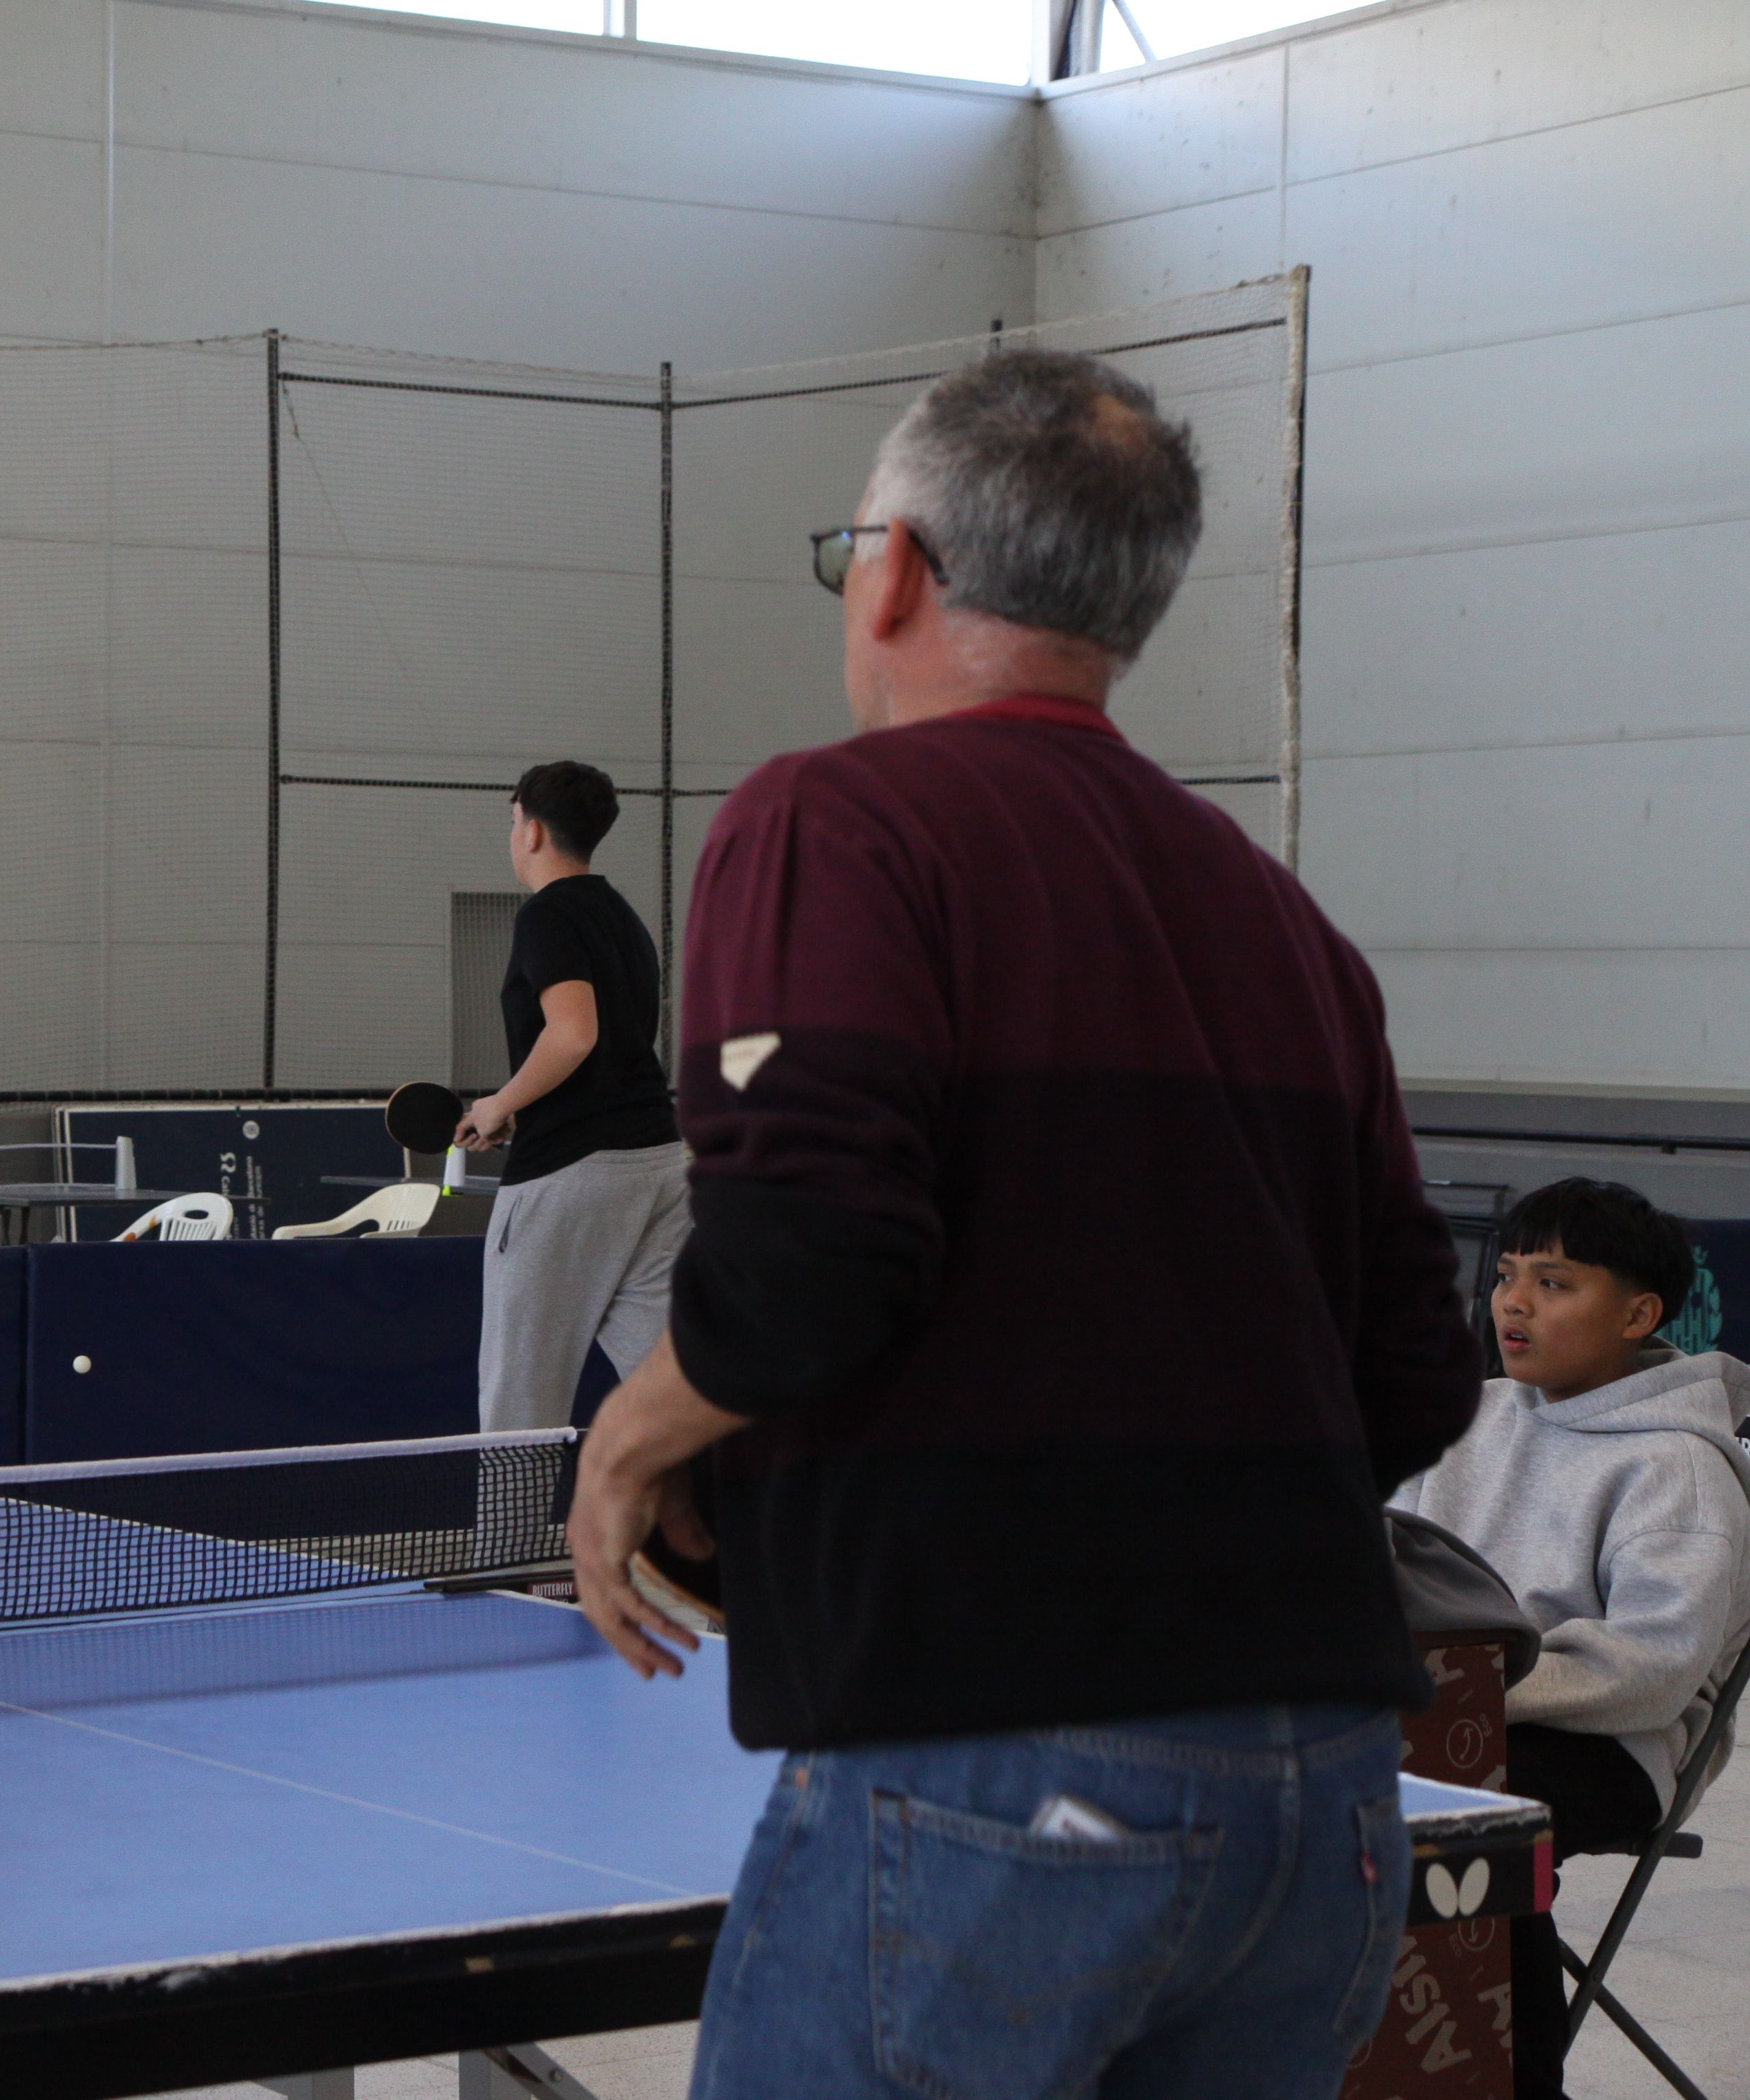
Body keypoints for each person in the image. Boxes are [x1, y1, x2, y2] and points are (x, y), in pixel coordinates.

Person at [565, 348, 1483, 2099]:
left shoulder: (827, 819)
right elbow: (1414, 1376)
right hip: (1320, 1801)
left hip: (995, 1774)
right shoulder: (1280, 918)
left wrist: (629, 1434)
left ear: (893, 566)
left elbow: (810, 1256)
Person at [1393, 1178, 1750, 2099]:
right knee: (1310, 1786)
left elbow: (1653, 1670)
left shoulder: (1679, 1466)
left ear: (1638, 1312)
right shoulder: (1467, 1418)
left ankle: (1510, 2083)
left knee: (1466, 1824)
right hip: (1445, 1712)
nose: (1513, 1302)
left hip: (1607, 1749)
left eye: (1554, 1284)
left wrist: (1467, 1689)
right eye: (1509, 1276)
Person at [456, 760, 687, 1431]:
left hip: (570, 1175)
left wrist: (500, 1105)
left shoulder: (546, 916)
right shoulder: (624, 917)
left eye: (511, 822)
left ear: (531, 831)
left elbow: (574, 1036)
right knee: (669, 1386)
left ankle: (513, 1543)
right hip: (660, 1166)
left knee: (519, 1398)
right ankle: (721, 1530)